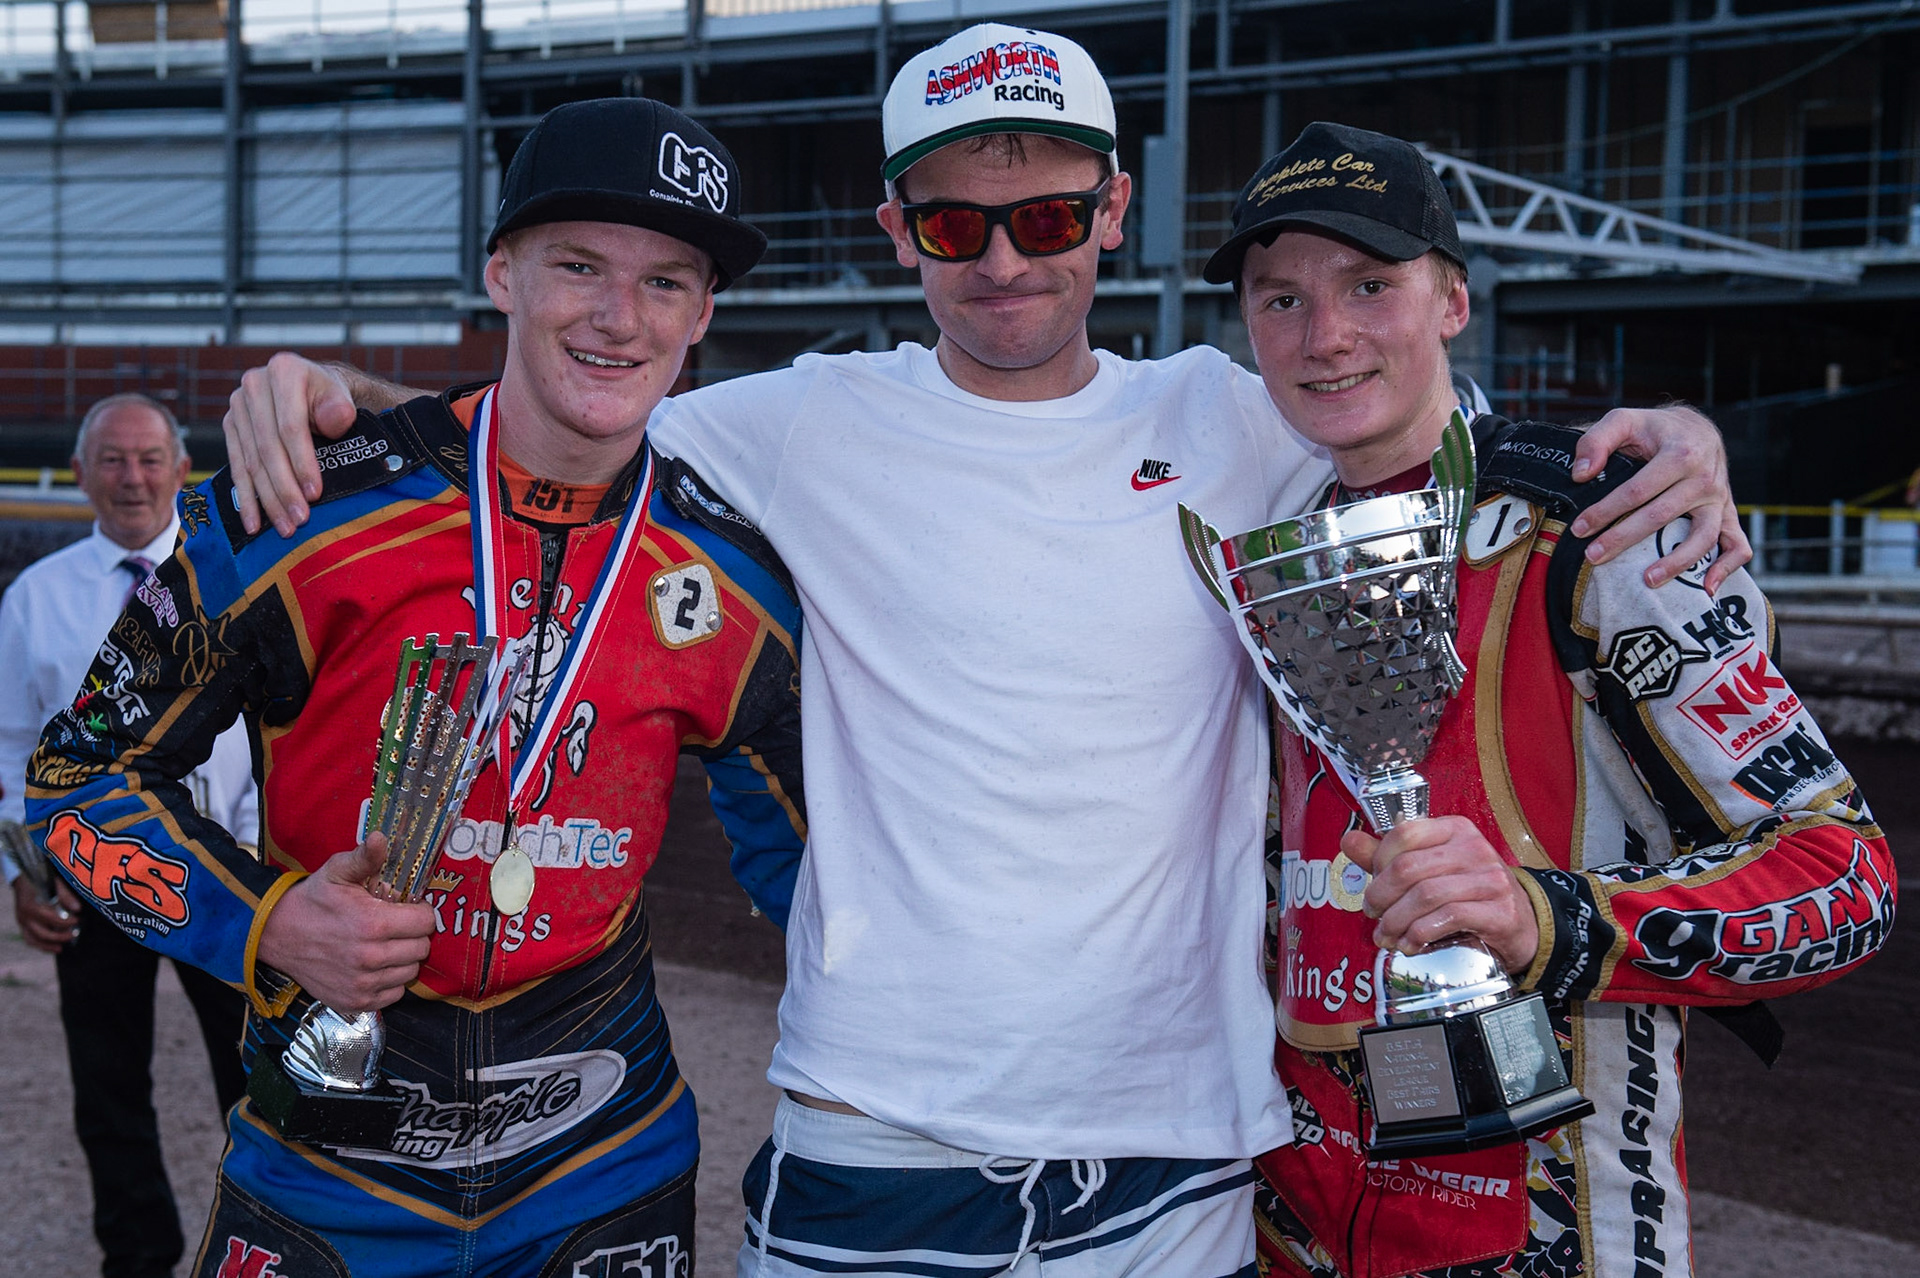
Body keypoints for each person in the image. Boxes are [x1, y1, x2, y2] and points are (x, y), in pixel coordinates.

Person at [216, 26, 1748, 1275]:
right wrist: (323, 391)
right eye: (955, 223)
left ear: (1115, 212)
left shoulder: (1235, 416)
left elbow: (1425, 436)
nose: (1005, 261)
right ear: (898, 232)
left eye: (1049, 217)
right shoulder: (795, 420)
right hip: (870, 1132)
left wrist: (1672, 441)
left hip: (1174, 1152)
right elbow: (563, 410)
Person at [26, 98, 806, 1278]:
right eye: (579, 264)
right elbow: (71, 784)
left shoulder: (738, 578)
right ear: (502, 272)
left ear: (703, 312)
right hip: (329, 1162)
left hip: (603, 1158)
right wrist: (271, 922)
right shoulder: (296, 506)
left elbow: (810, 859)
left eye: (665, 281)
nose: (617, 315)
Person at [1201, 121, 1896, 1278]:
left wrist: (1550, 920)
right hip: (1292, 1212)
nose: (1324, 336)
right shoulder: (1272, 536)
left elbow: (1845, 874)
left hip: (1542, 1223)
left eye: (1370, 285)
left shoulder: (1603, 531)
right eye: (1280, 300)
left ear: (1454, 303)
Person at [0, 393, 258, 1278]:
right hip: (91, 872)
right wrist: (22, 875)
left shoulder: (232, 579)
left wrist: (267, 862)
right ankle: (137, 1257)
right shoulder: (36, 599)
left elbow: (266, 743)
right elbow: (9, 745)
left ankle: (261, 1246)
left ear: (182, 471)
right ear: (78, 475)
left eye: (149, 458)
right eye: (112, 459)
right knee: (109, 1089)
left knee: (257, 1078)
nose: (132, 477)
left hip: (223, 872)